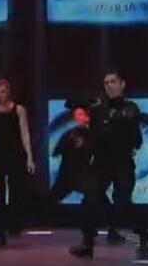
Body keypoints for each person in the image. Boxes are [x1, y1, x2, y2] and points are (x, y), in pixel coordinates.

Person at [69, 69, 148, 259]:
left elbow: (136, 139)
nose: (109, 86)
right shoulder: (97, 108)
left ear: (122, 84)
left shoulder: (130, 107)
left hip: (122, 163)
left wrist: (115, 118)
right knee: (89, 199)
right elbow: (77, 111)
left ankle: (145, 236)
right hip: (101, 163)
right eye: (106, 83)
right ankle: (87, 244)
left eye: (113, 82)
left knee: (123, 202)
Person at [51, 98, 124, 247]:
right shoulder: (69, 134)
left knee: (100, 200)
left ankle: (107, 232)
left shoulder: (95, 133)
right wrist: (70, 144)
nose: (78, 118)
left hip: (85, 174)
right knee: (51, 200)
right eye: (76, 115)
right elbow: (55, 152)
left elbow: (103, 150)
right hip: (66, 175)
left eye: (81, 114)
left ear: (88, 116)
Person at [0, 76, 35, 247]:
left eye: (3, 92)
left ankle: (14, 225)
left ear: (9, 92)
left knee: (15, 193)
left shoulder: (19, 109)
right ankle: (1, 231)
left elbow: (25, 133)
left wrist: (30, 157)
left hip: (15, 156)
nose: (0, 95)